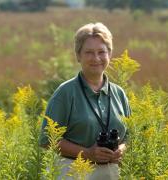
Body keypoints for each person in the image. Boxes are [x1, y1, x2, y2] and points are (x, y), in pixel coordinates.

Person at [40, 22, 130, 180]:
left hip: (113, 174)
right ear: (78, 56)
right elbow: (47, 141)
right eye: (89, 52)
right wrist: (87, 153)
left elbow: (130, 136)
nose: (96, 58)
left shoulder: (119, 93)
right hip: (72, 173)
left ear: (109, 54)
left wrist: (122, 149)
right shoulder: (65, 93)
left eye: (101, 52)